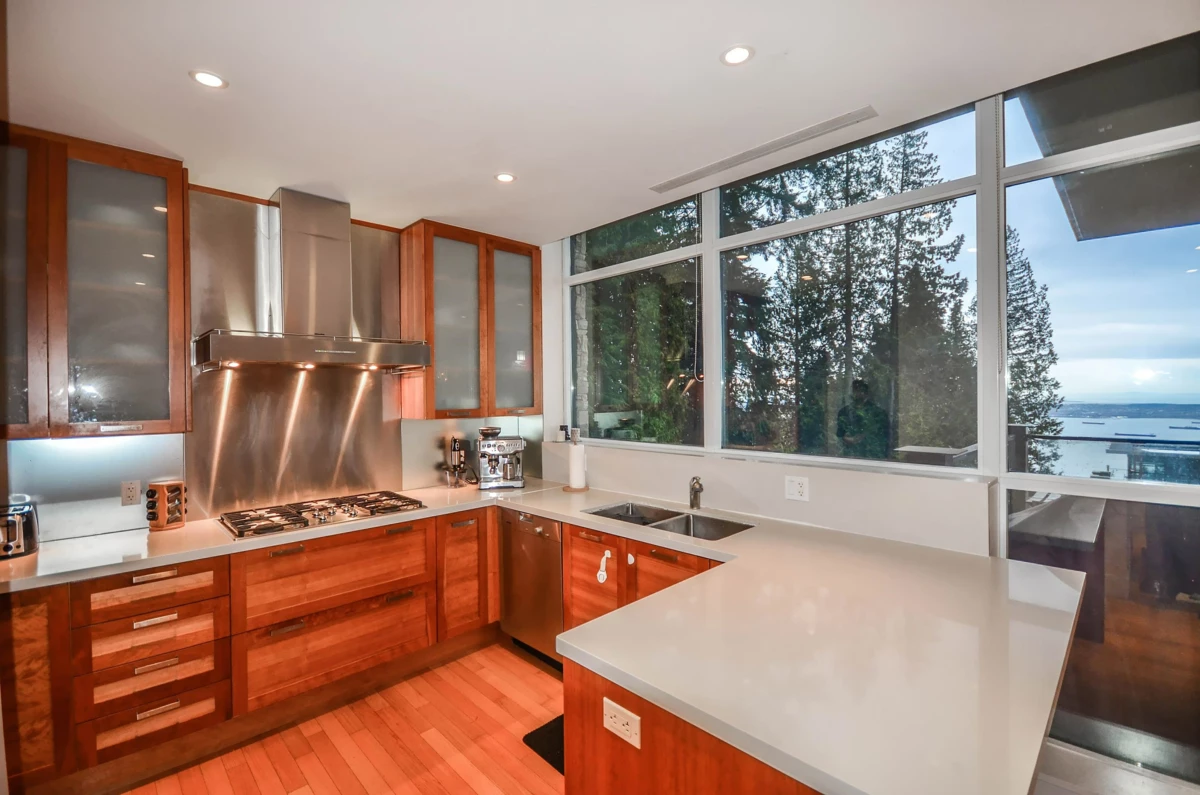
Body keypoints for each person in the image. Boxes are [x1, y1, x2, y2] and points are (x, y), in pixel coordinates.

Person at [836, 379, 890, 459]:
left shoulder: (879, 413)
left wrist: (865, 437)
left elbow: (885, 436)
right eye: (855, 390)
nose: (858, 393)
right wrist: (847, 439)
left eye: (861, 390)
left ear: (867, 393)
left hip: (874, 457)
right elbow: (839, 434)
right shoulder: (844, 412)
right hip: (849, 457)